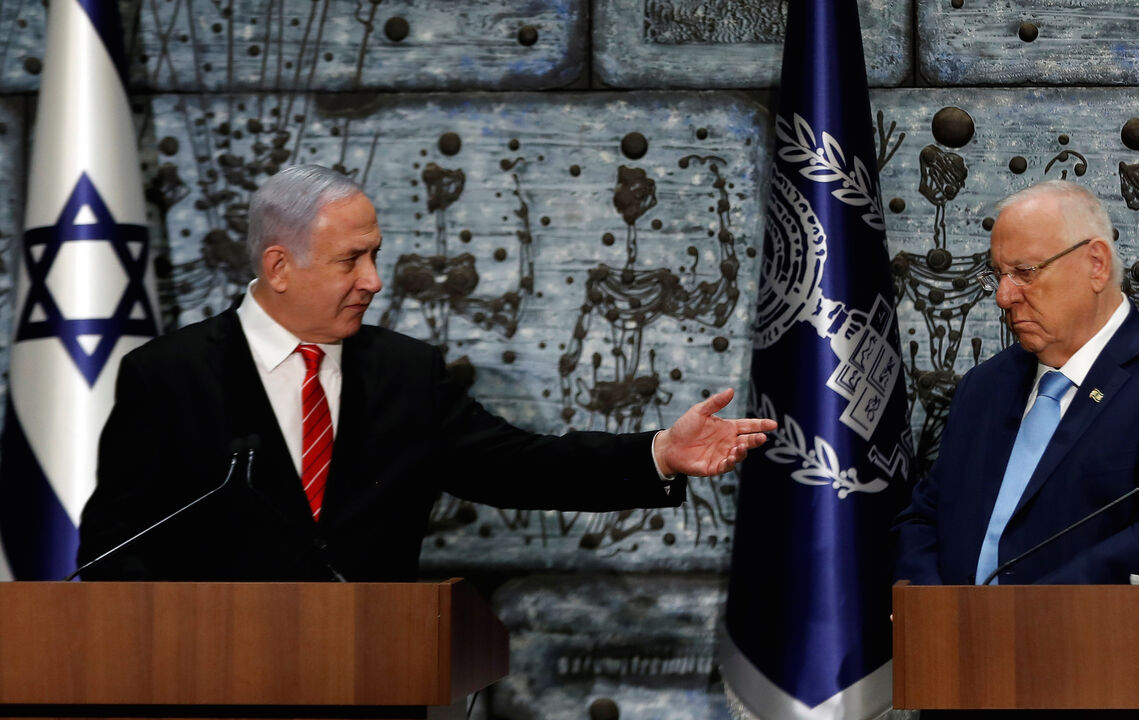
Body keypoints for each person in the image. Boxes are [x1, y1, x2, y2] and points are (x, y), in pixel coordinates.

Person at [76, 164, 776, 582]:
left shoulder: (403, 373)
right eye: (351, 260)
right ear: (279, 268)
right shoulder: (168, 377)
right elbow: (114, 553)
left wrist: (659, 452)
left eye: (375, 254)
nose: (375, 281)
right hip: (211, 687)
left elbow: (522, 466)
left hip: (373, 680)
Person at [894, 180, 1139, 585]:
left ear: (1096, 265)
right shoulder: (982, 387)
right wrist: (934, 613)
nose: (1004, 296)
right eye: (998, 275)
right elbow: (925, 518)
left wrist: (1022, 618)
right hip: (953, 641)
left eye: (1024, 272)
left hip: (1096, 642)